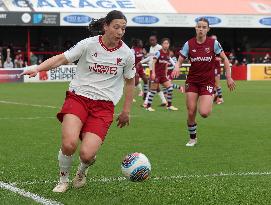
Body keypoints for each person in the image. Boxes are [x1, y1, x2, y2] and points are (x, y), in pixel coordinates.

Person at [20, 10, 135, 193]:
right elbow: (61, 58)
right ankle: (63, 179)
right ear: (105, 26)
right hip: (78, 98)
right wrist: (37, 68)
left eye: (123, 28)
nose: (120, 32)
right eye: (116, 27)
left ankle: (82, 172)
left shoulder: (127, 54)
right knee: (69, 144)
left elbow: (130, 82)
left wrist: (126, 111)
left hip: (104, 106)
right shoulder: (88, 44)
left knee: (87, 154)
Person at [172, 18, 235, 147]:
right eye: (199, 26)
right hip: (192, 81)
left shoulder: (214, 43)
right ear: (195, 28)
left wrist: (229, 77)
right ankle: (192, 139)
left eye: (204, 27)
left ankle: (210, 97)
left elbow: (225, 59)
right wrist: (177, 66)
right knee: (191, 112)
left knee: (204, 113)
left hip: (207, 82)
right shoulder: (189, 44)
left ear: (208, 29)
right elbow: (179, 60)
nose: (201, 29)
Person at [145, 38, 178, 111]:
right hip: (157, 75)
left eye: (167, 43)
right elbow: (153, 62)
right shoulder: (158, 52)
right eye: (165, 43)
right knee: (153, 90)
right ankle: (148, 107)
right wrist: (153, 73)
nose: (166, 45)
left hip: (163, 76)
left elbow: (166, 64)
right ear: (162, 44)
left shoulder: (168, 53)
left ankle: (169, 106)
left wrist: (166, 74)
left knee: (170, 88)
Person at [138, 35, 168, 107]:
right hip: (152, 70)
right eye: (150, 40)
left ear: (156, 40)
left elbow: (164, 59)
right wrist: (141, 62)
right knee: (156, 87)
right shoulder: (151, 48)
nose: (151, 41)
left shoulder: (160, 48)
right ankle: (164, 101)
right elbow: (150, 58)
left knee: (151, 86)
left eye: (153, 40)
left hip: (156, 71)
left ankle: (146, 103)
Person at [211, 35, 224, 104]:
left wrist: (216, 58)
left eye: (215, 39)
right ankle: (215, 96)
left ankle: (221, 98)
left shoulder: (218, 48)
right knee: (212, 84)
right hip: (210, 68)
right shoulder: (209, 47)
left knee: (217, 83)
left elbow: (222, 58)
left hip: (216, 67)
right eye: (213, 39)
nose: (214, 40)